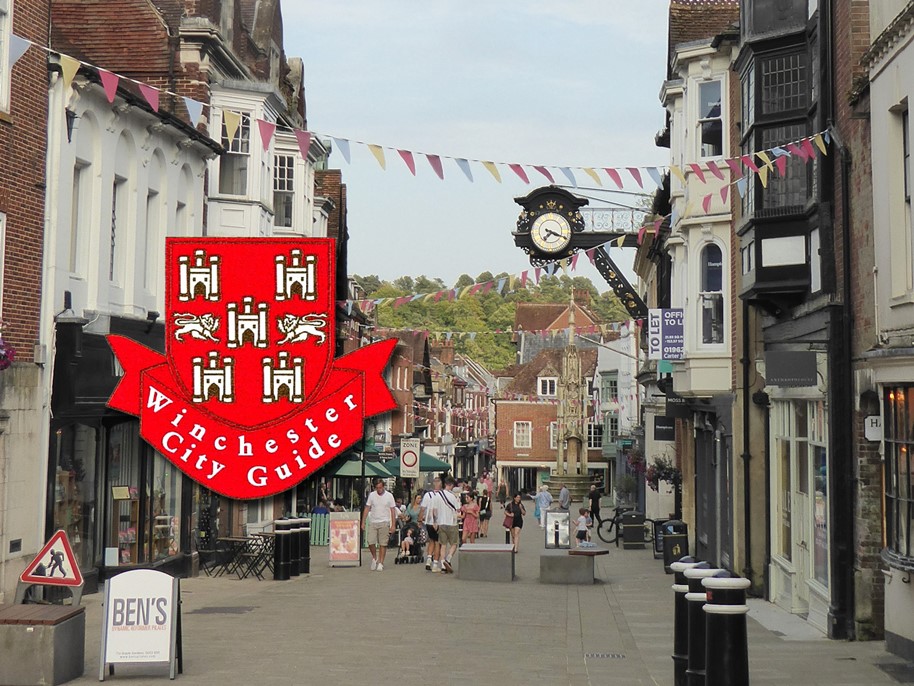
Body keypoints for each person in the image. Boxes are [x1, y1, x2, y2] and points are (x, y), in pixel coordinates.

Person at [361, 479, 397, 572]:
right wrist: (363, 521)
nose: (379, 489)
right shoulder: (372, 495)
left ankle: (381, 562)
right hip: (373, 521)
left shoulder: (389, 496)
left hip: (384, 521)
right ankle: (374, 557)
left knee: (383, 543)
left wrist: (393, 525)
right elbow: (367, 508)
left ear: (383, 487)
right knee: (370, 541)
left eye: (380, 487)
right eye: (377, 488)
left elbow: (393, 511)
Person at [435, 477, 461, 573]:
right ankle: (448, 559)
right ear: (451, 485)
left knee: (443, 545)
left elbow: (435, 510)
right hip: (452, 523)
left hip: (441, 523)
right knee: (454, 544)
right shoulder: (454, 496)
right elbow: (458, 510)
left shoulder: (438, 495)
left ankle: (442, 565)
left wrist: (435, 521)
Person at [419, 477, 443, 572]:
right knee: (438, 543)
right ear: (440, 485)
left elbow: (422, 509)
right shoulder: (442, 495)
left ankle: (429, 560)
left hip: (428, 522)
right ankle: (435, 564)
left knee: (431, 541)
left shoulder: (427, 495)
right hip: (438, 522)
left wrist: (420, 520)